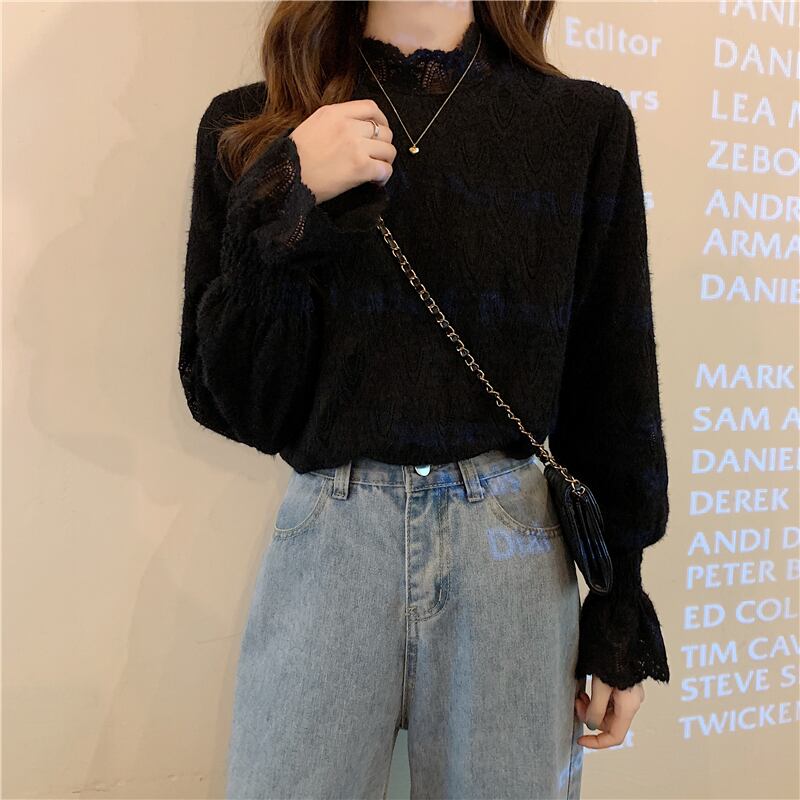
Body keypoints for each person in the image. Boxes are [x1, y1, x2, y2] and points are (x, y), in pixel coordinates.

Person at [178, 1, 671, 797]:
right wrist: (284, 197)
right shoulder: (255, 127)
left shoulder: (580, 125)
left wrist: (619, 605)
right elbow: (232, 400)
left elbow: (612, 383)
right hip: (332, 534)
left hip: (510, 548)